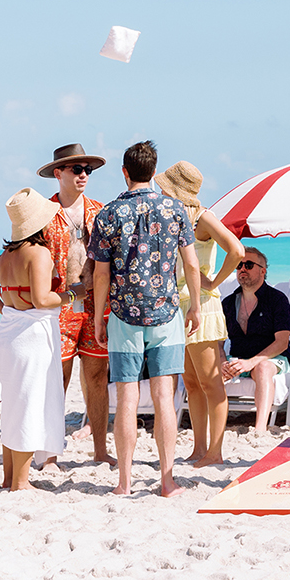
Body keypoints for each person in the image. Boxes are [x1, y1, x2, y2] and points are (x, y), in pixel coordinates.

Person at [88, 140, 202, 497]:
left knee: (126, 398)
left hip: (123, 314)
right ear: (155, 172)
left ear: (125, 172)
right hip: (166, 312)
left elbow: (100, 275)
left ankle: (124, 481)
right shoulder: (175, 209)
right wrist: (196, 305)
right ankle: (167, 480)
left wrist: (97, 316)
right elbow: (192, 264)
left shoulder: (107, 214)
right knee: (164, 398)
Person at [0, 189, 75, 490]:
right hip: (32, 336)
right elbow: (42, 298)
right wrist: (73, 295)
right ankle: (20, 483)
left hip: (9, 334)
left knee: (14, 403)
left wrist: (5, 309)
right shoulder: (40, 253)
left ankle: (10, 478)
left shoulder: (7, 255)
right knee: (28, 405)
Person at [155, 161, 244, 466]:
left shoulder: (203, 217)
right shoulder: (175, 218)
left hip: (201, 305)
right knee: (191, 384)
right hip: (177, 308)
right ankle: (199, 447)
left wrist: (214, 281)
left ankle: (216, 452)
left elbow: (237, 250)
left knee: (211, 383)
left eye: (165, 188)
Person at [36, 142, 114, 467]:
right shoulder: (43, 214)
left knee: (97, 379)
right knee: (59, 380)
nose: (83, 175)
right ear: (59, 173)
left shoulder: (101, 211)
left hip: (97, 307)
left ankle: (99, 450)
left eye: (88, 170)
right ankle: (51, 453)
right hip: (60, 306)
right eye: (76, 169)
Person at [221, 247, 290, 438]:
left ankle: (260, 429)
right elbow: (218, 342)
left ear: (263, 270)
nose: (242, 269)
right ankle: (211, 425)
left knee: (262, 368)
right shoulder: (227, 303)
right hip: (238, 357)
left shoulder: (277, 300)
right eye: (239, 265)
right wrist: (221, 362)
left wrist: (251, 362)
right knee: (208, 370)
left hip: (272, 357)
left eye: (249, 265)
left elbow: (282, 342)